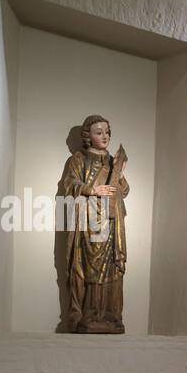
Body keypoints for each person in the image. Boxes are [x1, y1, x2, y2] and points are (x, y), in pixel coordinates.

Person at [59, 114, 127, 333]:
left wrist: (119, 174)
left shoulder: (111, 160)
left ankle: (110, 314)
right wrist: (92, 190)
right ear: (88, 136)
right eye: (99, 132)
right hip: (88, 222)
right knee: (89, 268)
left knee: (110, 270)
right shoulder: (79, 159)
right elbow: (70, 184)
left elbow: (123, 191)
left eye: (107, 132)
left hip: (111, 222)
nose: (105, 136)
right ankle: (88, 315)